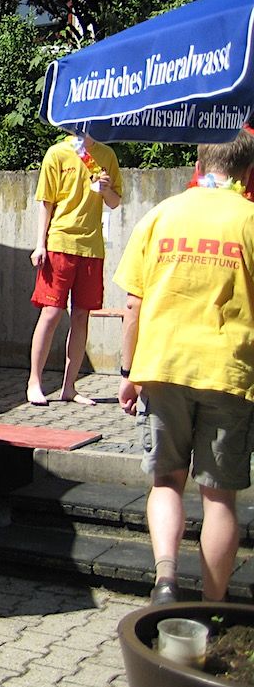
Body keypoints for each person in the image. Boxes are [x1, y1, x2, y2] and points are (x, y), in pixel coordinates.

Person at [115, 133, 254, 604]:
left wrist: (128, 373)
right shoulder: (251, 220)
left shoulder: (161, 215)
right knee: (219, 498)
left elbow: (133, 305)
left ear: (199, 161)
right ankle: (214, 607)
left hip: (162, 366)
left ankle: (166, 581)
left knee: (166, 481)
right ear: (247, 171)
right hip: (229, 372)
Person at [26, 132, 122, 406]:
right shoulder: (57, 153)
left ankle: (70, 387)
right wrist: (40, 244)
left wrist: (106, 189)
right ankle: (34, 382)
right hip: (59, 242)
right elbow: (45, 202)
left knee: (81, 316)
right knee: (51, 312)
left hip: (91, 247)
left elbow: (115, 202)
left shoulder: (107, 155)